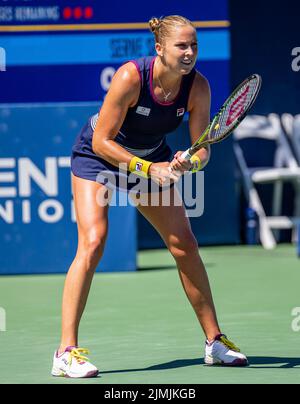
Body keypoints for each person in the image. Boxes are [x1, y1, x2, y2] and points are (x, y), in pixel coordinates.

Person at [51, 15, 248, 378]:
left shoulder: (198, 87)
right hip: (99, 159)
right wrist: (148, 169)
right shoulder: (130, 77)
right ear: (160, 48)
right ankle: (65, 352)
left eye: (194, 46)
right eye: (181, 46)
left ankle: (214, 342)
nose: (189, 53)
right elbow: (101, 142)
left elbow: (203, 148)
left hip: (152, 158)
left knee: (184, 244)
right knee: (93, 242)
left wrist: (190, 162)